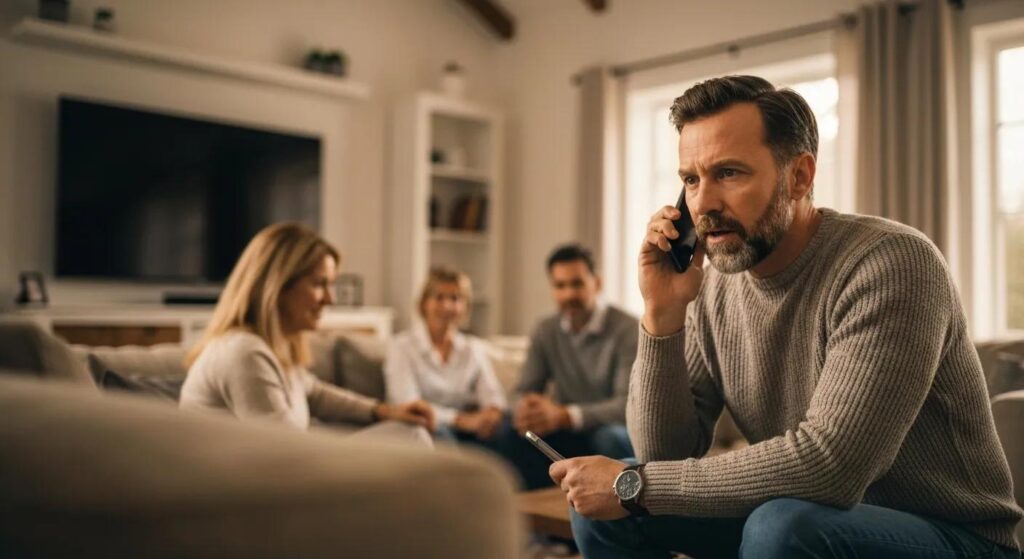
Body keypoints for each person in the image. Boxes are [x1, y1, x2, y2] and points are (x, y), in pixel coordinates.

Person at [553, 76, 1023, 558]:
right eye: (691, 180)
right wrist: (662, 314)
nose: (704, 204)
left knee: (774, 524)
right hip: (807, 516)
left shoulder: (891, 262)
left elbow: (830, 465)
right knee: (608, 498)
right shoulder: (714, 281)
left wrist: (637, 485)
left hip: (956, 538)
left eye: (729, 173)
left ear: (799, 176)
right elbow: (662, 455)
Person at [180, 222, 434, 443]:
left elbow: (315, 392)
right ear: (278, 286)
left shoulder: (273, 346)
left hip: (280, 474)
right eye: (319, 284)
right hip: (252, 488)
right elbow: (287, 453)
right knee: (411, 436)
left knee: (408, 431)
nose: (330, 299)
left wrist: (384, 411)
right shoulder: (244, 352)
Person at [506, 243, 638, 489]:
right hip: (566, 429)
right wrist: (527, 409)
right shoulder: (546, 330)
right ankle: (538, 518)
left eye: (577, 284)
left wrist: (564, 415)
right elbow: (521, 390)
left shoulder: (628, 329)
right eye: (560, 286)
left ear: (596, 283)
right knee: (512, 430)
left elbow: (627, 406)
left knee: (608, 437)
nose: (569, 294)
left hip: (614, 429)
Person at [384, 266, 507, 445]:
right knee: (439, 434)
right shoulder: (401, 346)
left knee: (507, 430)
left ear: (465, 307)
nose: (447, 306)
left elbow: (493, 395)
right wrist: (460, 420)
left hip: (470, 430)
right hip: (425, 426)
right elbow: (409, 404)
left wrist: (491, 415)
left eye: (455, 298)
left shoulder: (473, 348)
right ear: (424, 303)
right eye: (439, 297)